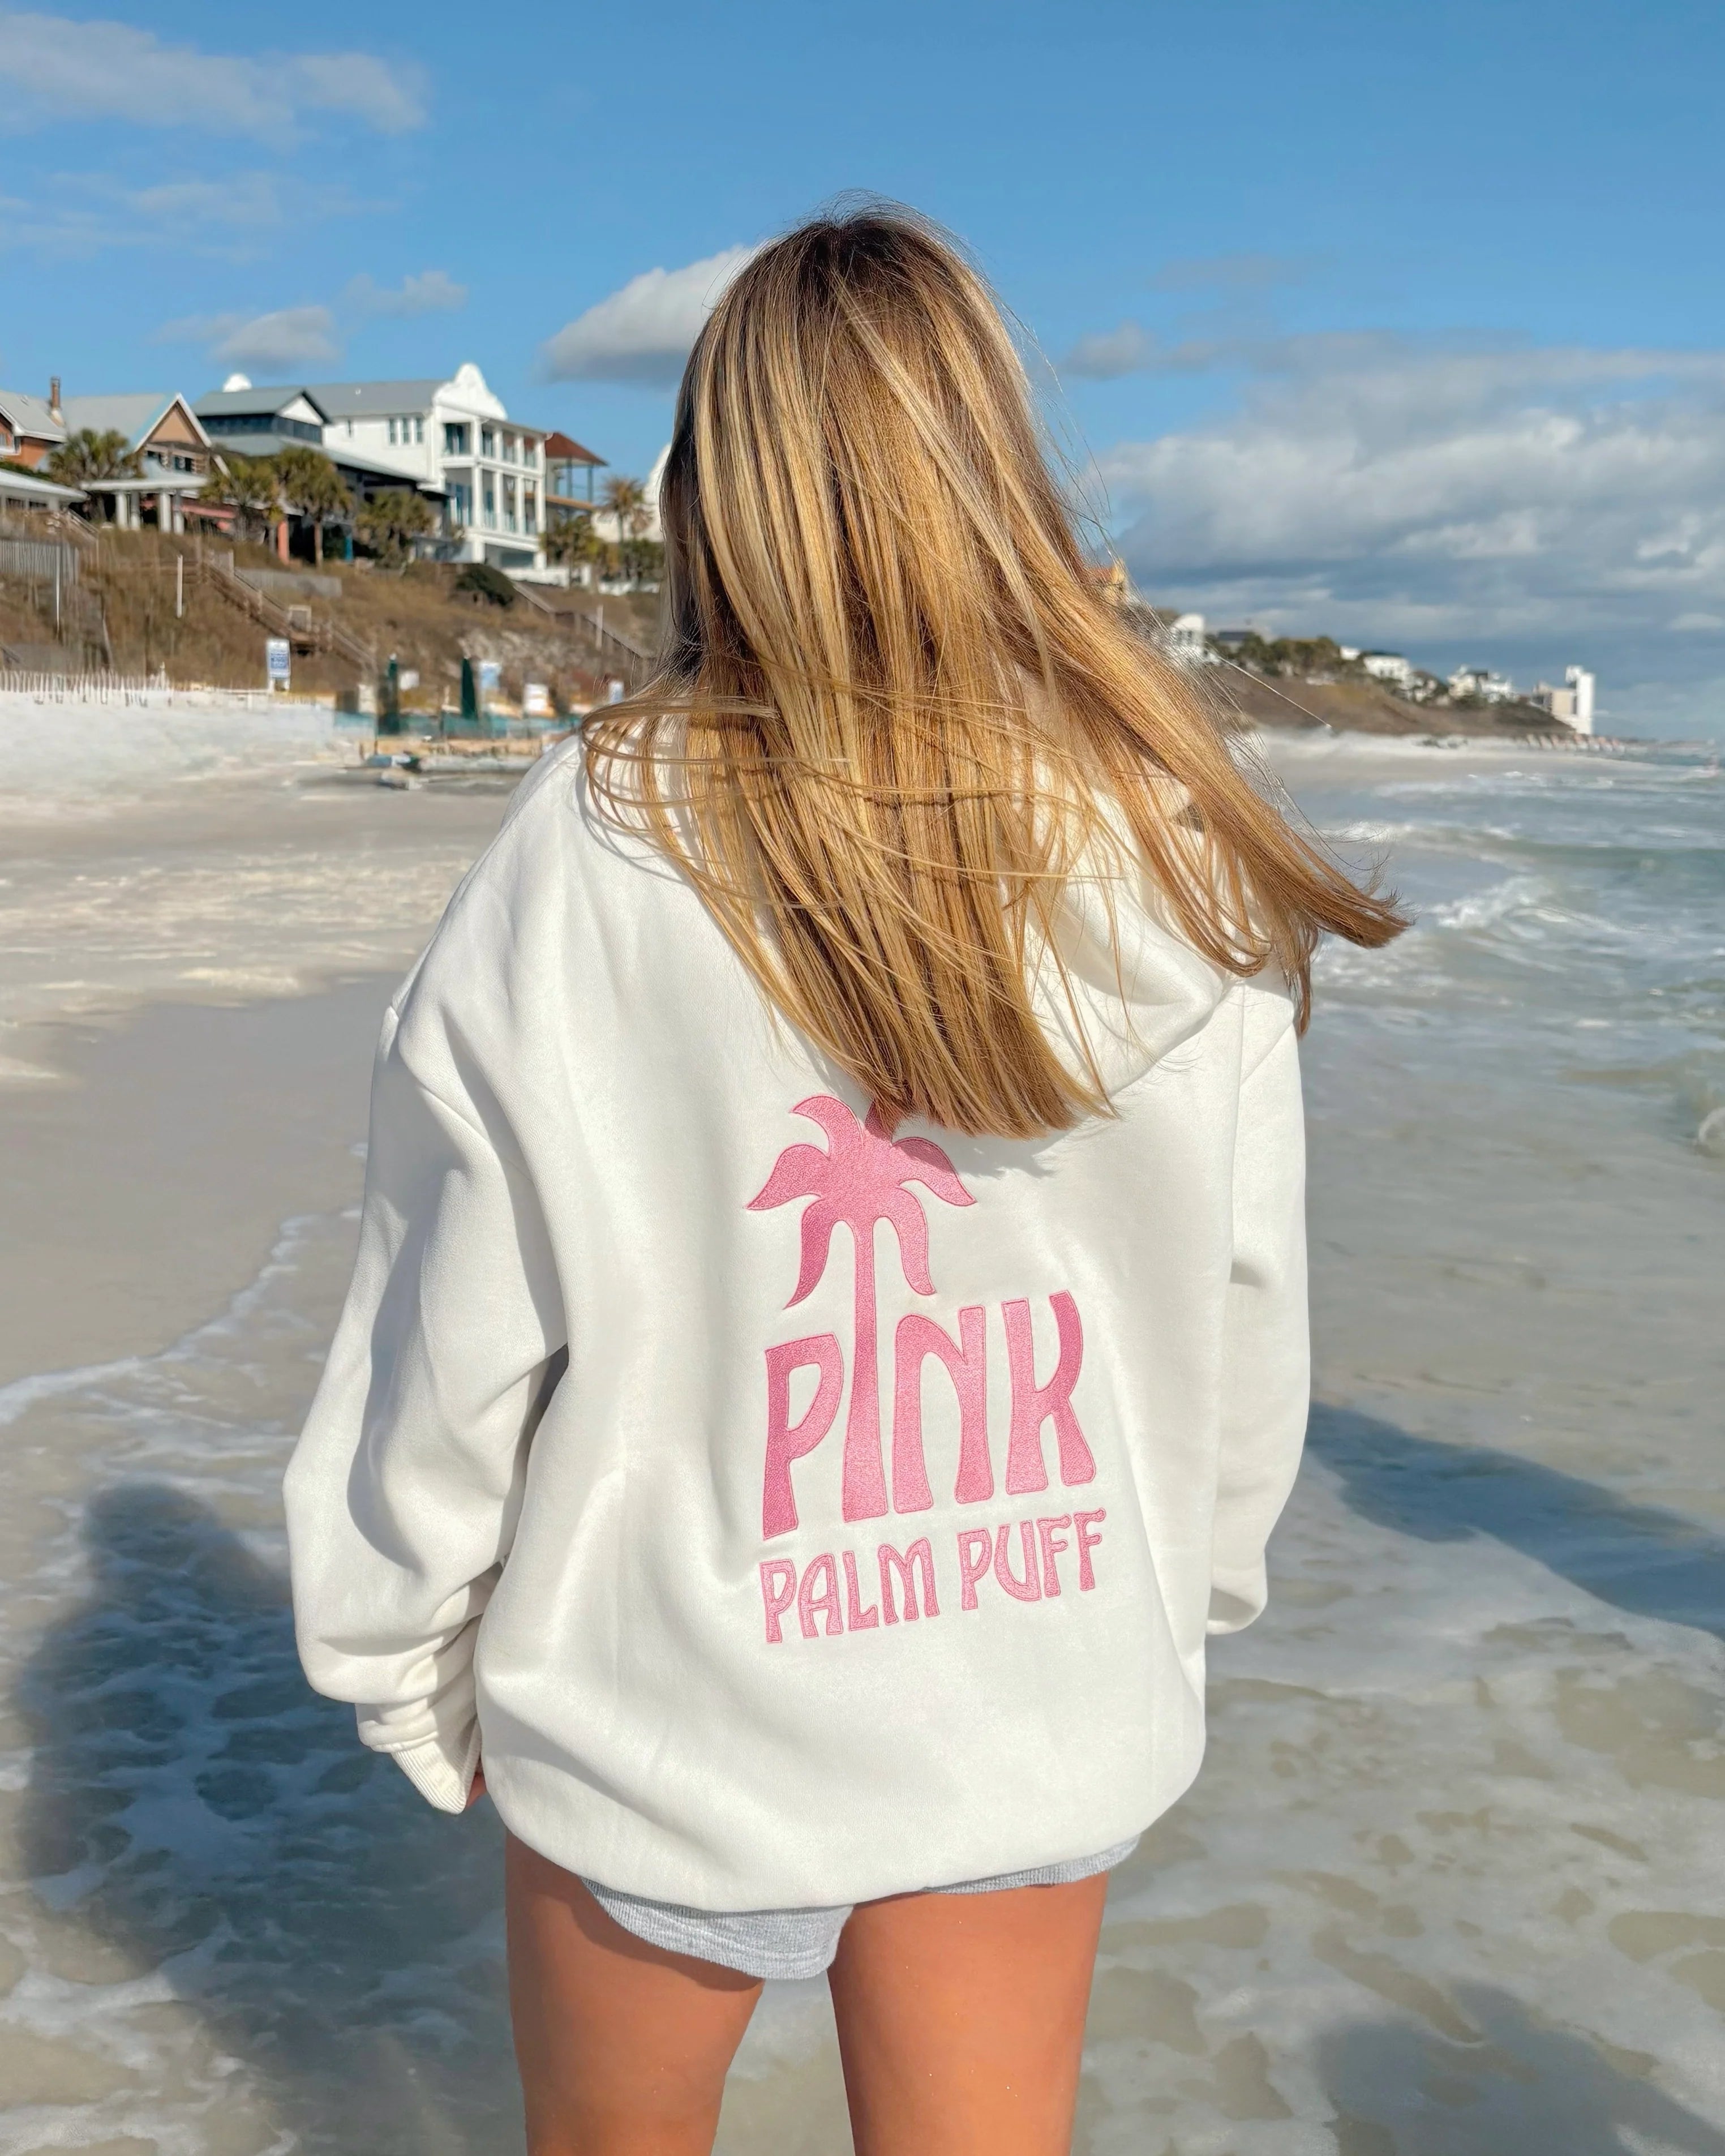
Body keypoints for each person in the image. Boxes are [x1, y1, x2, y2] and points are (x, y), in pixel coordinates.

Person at [284, 206, 1405, 2155]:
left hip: (667, 1704)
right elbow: (1242, 1309)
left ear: (713, 497)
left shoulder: (598, 844)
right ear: (998, 474)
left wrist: (402, 1659)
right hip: (1035, 1680)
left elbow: (456, 1319)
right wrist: (1184, 1587)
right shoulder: (1164, 838)